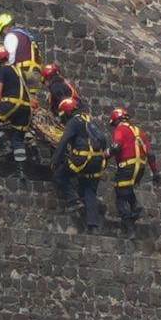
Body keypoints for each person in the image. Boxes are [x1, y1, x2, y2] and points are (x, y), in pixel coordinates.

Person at [48, 97, 108, 232]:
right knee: (89, 190)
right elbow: (104, 141)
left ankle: (74, 200)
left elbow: (64, 141)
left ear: (67, 112)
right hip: (97, 161)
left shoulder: (74, 121)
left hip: (82, 159)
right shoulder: (91, 120)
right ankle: (93, 225)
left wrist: (55, 160)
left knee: (59, 176)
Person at [106, 108, 158, 236]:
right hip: (140, 168)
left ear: (116, 120)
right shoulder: (140, 132)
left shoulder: (120, 129)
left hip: (127, 167)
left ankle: (129, 227)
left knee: (120, 196)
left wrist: (105, 155)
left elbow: (116, 147)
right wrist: (155, 172)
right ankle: (135, 207)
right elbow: (150, 154)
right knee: (127, 189)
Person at [0, 46, 33, 172]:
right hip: (26, 109)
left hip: (12, 104)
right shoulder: (19, 72)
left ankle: (5, 143)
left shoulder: (2, 70)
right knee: (18, 139)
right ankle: (21, 171)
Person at [0, 13, 44, 81]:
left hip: (24, 73)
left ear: (4, 27)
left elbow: (11, 58)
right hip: (35, 72)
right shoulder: (24, 34)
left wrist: (3, 72)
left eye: (1, 33)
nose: (2, 35)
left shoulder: (10, 36)